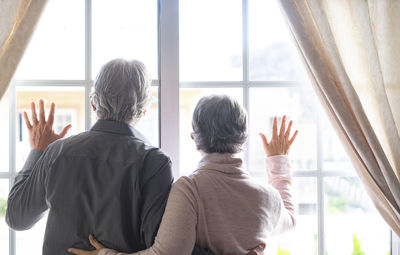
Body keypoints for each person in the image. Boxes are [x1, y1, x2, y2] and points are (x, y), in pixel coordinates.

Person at [5, 59, 216, 255]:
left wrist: (38, 151)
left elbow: (17, 218)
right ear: (143, 110)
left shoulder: (57, 152)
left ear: (93, 104)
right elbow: (163, 246)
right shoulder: (154, 163)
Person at [68, 95, 298, 255]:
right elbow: (291, 219)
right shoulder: (267, 197)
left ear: (194, 137)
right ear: (244, 139)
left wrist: (104, 254)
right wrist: (278, 160)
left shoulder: (190, 189)